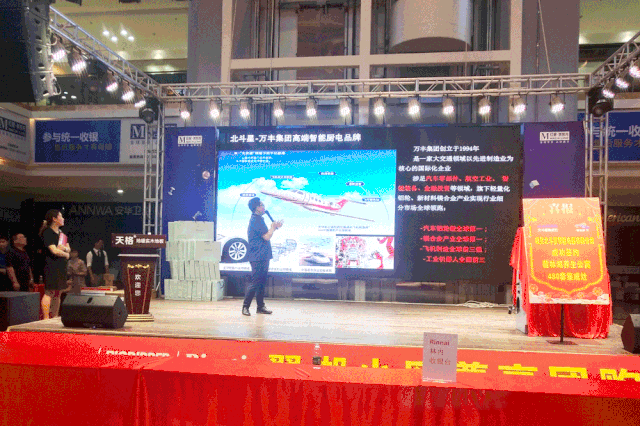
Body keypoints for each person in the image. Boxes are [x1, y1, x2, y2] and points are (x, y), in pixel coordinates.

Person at [242, 197, 283, 316]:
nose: (264, 207)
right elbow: (266, 236)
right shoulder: (255, 220)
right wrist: (273, 228)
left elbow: (266, 234)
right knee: (255, 282)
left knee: (261, 282)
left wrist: (274, 228)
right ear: (257, 208)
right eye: (262, 205)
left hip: (263, 255)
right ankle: (245, 307)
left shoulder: (259, 219)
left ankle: (260, 307)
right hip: (257, 256)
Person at [40, 209, 70, 319]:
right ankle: (46, 318)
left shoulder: (62, 234)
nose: (63, 218)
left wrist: (64, 250)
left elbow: (68, 248)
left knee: (58, 292)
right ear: (54, 219)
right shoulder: (47, 232)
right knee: (50, 292)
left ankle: (55, 316)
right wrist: (65, 253)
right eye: (61, 216)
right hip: (51, 265)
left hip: (61, 266)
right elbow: (54, 251)